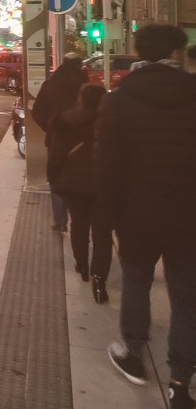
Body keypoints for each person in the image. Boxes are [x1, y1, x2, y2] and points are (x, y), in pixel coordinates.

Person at [96, 24, 196, 409]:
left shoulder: (118, 100)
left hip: (136, 214)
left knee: (136, 282)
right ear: (178, 53)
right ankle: (181, 380)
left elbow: (107, 169)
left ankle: (133, 354)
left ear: (138, 54)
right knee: (187, 296)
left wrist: (105, 221)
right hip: (189, 216)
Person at [49, 82, 113, 303]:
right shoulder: (113, 123)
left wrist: (54, 178)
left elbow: (56, 155)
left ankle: (82, 265)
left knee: (79, 224)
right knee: (103, 234)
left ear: (81, 99)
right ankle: (99, 281)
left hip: (75, 184)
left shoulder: (68, 120)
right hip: (105, 185)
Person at [31, 53, 89, 232]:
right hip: (83, 140)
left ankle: (60, 221)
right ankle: (80, 218)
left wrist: (49, 127)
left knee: (56, 177)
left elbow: (37, 111)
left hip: (57, 138)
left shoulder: (51, 85)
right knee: (84, 177)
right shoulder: (86, 86)